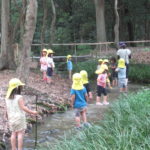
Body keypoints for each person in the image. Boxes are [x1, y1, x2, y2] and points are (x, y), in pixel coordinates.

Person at [5, 78, 38, 150]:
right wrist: (33, 112)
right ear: (17, 87)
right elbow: (23, 108)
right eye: (20, 86)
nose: (21, 87)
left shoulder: (7, 97)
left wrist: (7, 117)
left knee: (13, 133)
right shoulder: (19, 97)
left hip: (11, 118)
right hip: (19, 118)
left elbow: (7, 109)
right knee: (20, 133)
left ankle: (13, 148)